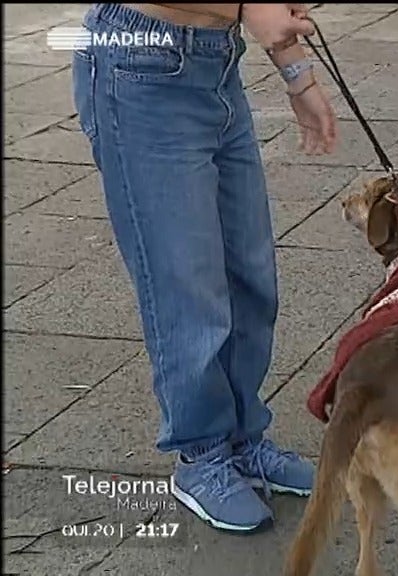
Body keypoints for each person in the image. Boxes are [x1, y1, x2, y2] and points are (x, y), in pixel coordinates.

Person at [70, 3, 337, 532]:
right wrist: (249, 11)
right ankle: (202, 453)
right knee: (186, 287)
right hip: (139, 68)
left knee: (250, 277)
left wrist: (295, 69)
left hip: (215, 64)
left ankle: (242, 439)